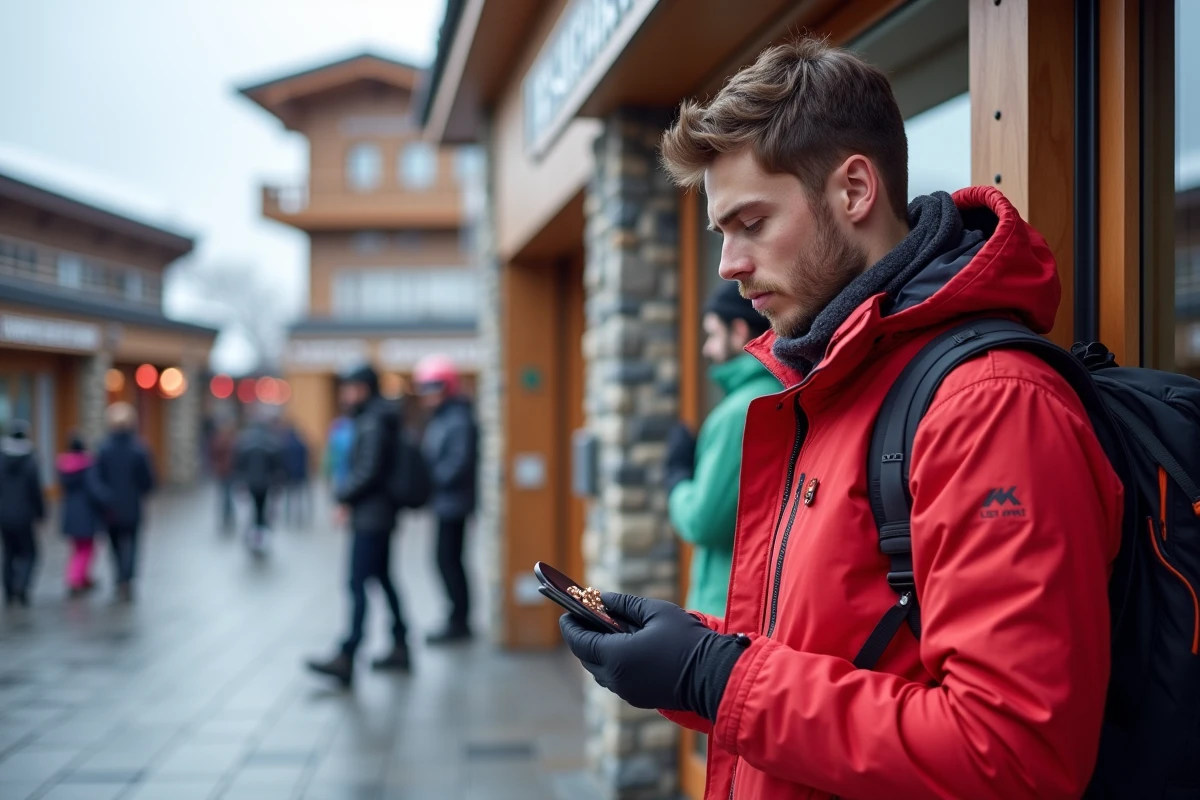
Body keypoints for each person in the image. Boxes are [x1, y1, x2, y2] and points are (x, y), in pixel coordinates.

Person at [558, 37, 1123, 800]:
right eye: (721, 233)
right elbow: (836, 653)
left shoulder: (990, 404)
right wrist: (690, 650)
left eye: (751, 222)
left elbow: (1012, 756)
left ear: (854, 190)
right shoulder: (830, 385)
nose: (727, 264)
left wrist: (712, 676)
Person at [666, 282, 777, 618]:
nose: (706, 349)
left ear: (739, 329)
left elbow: (703, 521)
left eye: (712, 334)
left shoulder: (740, 411)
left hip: (725, 608)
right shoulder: (779, 391)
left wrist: (677, 477)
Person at [307, 364, 409, 686]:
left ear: (362, 389)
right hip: (378, 515)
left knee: (356, 583)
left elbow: (368, 471)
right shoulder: (376, 418)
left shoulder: (371, 422)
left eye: (348, 387)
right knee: (381, 579)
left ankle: (348, 655)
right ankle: (401, 644)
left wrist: (343, 498)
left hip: (371, 517)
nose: (344, 393)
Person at [414, 354, 478, 644]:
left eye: (434, 388)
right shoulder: (441, 418)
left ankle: (459, 620)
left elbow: (459, 462)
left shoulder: (458, 419)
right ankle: (457, 617)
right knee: (446, 560)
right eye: (425, 389)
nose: (428, 395)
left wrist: (430, 482)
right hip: (444, 502)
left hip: (454, 504)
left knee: (448, 560)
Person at [95, 402, 156, 603]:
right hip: (132, 505)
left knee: (115, 544)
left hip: (110, 506)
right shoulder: (138, 449)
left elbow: (96, 478)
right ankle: (127, 578)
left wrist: (105, 497)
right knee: (132, 543)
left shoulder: (104, 449)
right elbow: (147, 480)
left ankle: (120, 576)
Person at [0, 421, 45, 606]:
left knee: (9, 554)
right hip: (25, 515)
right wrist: (41, 513)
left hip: (3, 515)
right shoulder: (30, 460)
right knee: (30, 553)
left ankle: (9, 591)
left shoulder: (1, 458)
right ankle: (22, 585)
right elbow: (35, 491)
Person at [57, 432, 106, 596]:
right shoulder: (88, 465)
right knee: (87, 548)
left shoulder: (64, 464)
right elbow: (94, 489)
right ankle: (75, 579)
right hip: (86, 511)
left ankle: (82, 577)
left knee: (77, 547)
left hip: (70, 510)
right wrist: (107, 500)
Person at [233, 412, 285, 553]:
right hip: (265, 484)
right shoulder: (271, 441)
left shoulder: (244, 441)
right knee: (262, 510)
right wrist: (277, 483)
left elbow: (239, 464)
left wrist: (240, 481)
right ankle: (261, 538)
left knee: (253, 511)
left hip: (251, 483)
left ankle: (254, 537)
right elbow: (277, 465)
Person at [279, 421, 311, 528]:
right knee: (300, 497)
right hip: (301, 474)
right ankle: (299, 516)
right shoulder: (302, 444)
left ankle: (288, 516)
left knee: (289, 497)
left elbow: (283, 461)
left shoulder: (286, 445)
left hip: (289, 474)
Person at [208, 419, 237, 533]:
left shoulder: (219, 441)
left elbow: (212, 455)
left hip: (223, 472)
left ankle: (226, 518)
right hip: (228, 472)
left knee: (225, 496)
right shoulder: (232, 441)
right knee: (227, 496)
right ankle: (228, 517)